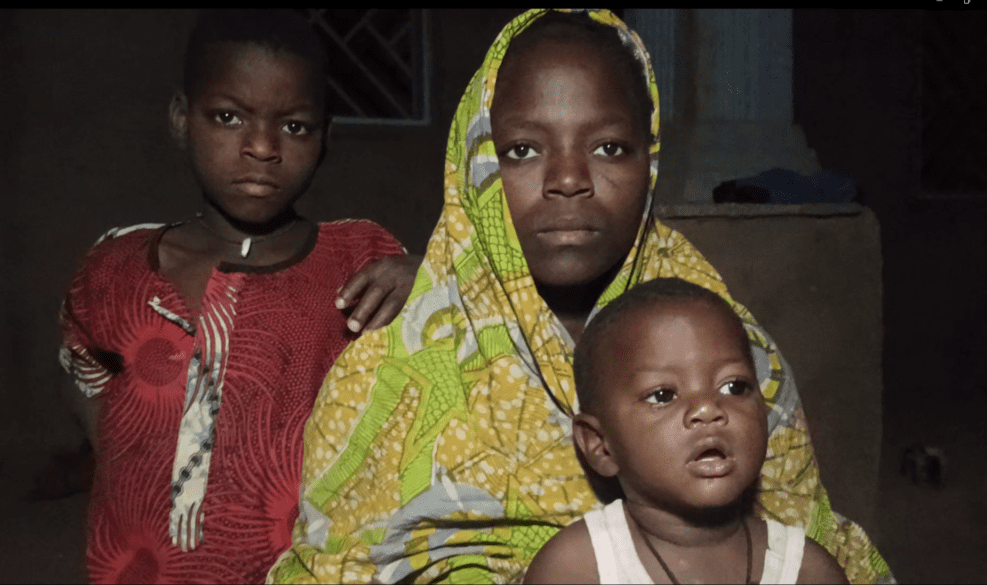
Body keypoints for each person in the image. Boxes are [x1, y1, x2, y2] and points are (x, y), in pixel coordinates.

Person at [269, 9, 891, 584]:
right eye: (522, 150)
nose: (568, 179)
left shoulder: (729, 344)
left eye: (608, 147)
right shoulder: (389, 371)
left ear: (649, 156)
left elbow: (792, 534)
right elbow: (337, 564)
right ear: (475, 166)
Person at [58, 10, 419, 584]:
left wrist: (426, 277)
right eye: (228, 117)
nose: (261, 147)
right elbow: (86, 373)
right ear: (181, 119)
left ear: (327, 136)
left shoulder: (361, 260)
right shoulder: (116, 265)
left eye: (295, 126)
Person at [525, 277, 849, 584]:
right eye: (663, 396)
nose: (707, 409)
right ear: (601, 446)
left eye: (734, 387)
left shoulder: (806, 570)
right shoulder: (577, 568)